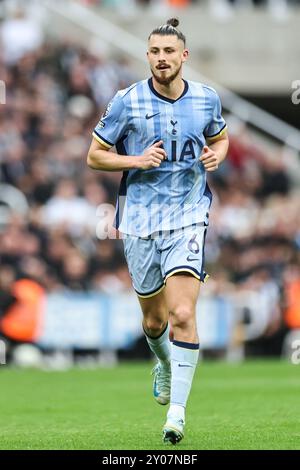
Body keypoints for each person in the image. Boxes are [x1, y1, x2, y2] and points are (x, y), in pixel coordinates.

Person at [87, 17, 229, 445]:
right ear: (147, 56)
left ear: (183, 56)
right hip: (139, 220)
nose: (161, 59)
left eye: (169, 52)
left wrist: (216, 156)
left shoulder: (206, 99)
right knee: (154, 321)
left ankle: (177, 415)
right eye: (154, 52)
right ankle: (164, 364)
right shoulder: (126, 101)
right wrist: (135, 161)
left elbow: (220, 138)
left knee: (183, 314)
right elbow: (95, 156)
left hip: (188, 216)